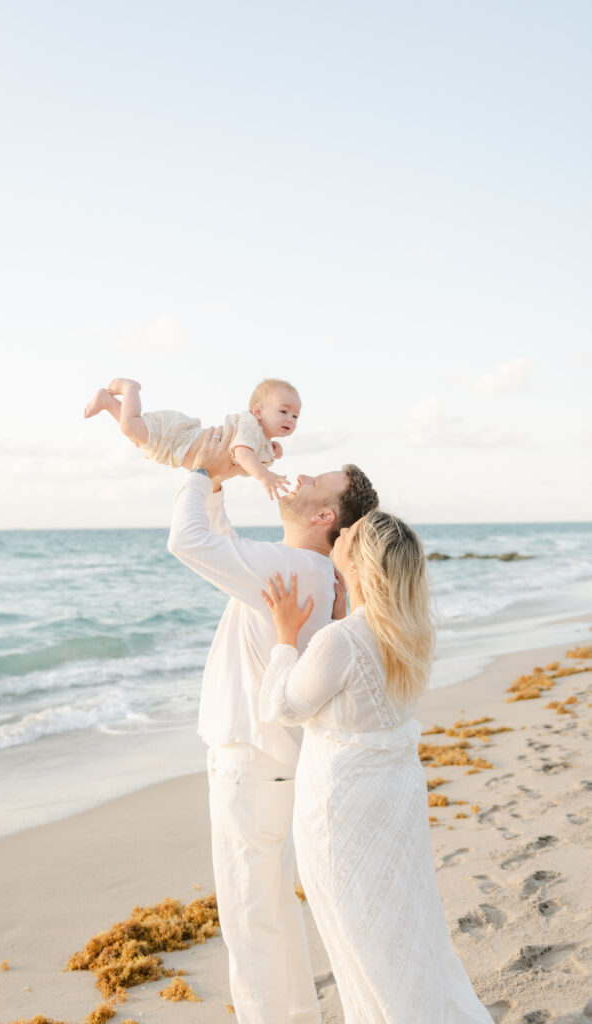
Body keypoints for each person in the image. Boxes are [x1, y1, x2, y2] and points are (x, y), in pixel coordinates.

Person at [166, 422, 379, 1024]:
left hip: (252, 761)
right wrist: (220, 483)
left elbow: (188, 542)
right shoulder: (305, 571)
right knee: (270, 910)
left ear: (326, 517)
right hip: (274, 764)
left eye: (319, 482)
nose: (302, 476)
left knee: (250, 916)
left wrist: (205, 474)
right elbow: (223, 543)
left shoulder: (288, 570)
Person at [258, 511, 493, 1024]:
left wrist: (283, 635)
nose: (339, 533)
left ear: (361, 564)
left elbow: (285, 708)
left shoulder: (340, 640)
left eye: (350, 534)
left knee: (361, 938)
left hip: (345, 811)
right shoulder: (409, 630)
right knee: (406, 925)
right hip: (395, 796)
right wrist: (334, 617)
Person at [84, 376, 301, 500]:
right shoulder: (249, 425)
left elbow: (245, 460)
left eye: (295, 416)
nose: (290, 419)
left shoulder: (259, 441)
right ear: (258, 411)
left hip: (175, 451)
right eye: (283, 412)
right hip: (178, 437)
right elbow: (243, 454)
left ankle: (106, 400)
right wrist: (264, 476)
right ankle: (130, 388)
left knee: (138, 436)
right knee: (131, 426)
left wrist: (271, 449)